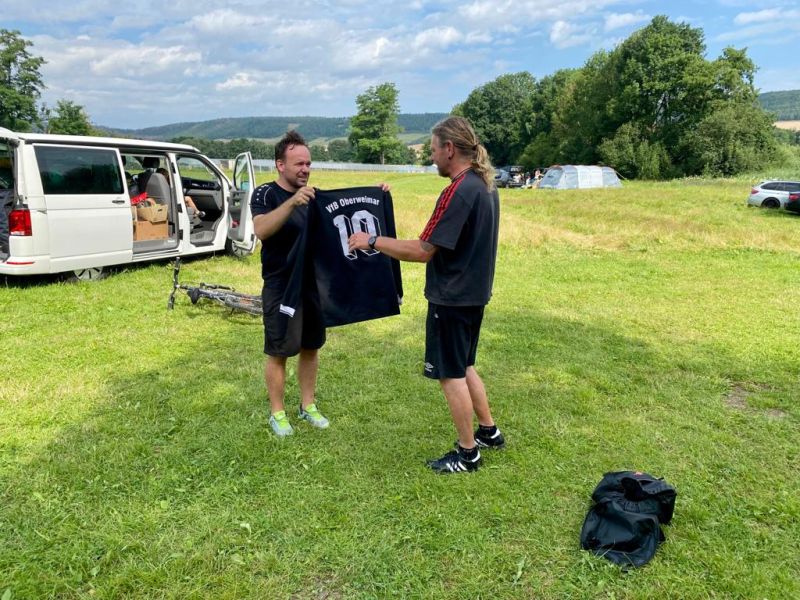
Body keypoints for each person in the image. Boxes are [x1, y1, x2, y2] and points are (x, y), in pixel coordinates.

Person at [348, 116, 503, 474]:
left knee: (450, 374)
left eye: (433, 150)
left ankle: (468, 453)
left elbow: (422, 249)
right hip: (474, 294)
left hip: (452, 297)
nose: (431, 157)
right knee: (464, 365)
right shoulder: (483, 184)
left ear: (449, 149)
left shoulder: (458, 190)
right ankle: (488, 432)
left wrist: (370, 240)